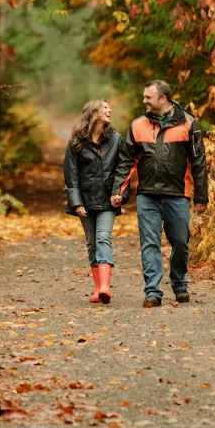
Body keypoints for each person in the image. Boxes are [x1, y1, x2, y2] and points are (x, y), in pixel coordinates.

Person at [110, 80, 208, 308]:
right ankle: (152, 292)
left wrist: (201, 196)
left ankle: (179, 283)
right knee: (149, 243)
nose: (144, 101)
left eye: (148, 97)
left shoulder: (188, 123)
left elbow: (198, 162)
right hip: (147, 195)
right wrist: (119, 192)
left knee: (181, 242)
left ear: (162, 99)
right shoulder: (137, 126)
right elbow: (126, 162)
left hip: (178, 194)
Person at [63, 99, 124, 304]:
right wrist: (76, 203)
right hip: (86, 201)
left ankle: (106, 287)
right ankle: (98, 290)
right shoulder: (76, 141)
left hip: (108, 200)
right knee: (91, 243)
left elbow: (122, 170)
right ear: (94, 112)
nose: (110, 110)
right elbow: (70, 175)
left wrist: (120, 194)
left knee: (103, 238)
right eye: (105, 107)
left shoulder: (116, 139)